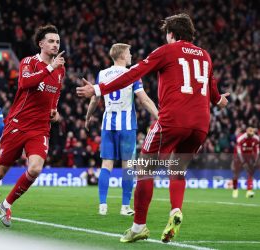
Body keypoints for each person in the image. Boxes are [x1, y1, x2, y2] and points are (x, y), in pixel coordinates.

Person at [77, 13, 229, 243]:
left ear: (170, 34)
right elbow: (214, 91)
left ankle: (138, 227)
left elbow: (133, 73)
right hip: (200, 124)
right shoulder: (205, 56)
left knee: (143, 169)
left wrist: (98, 90)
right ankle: (175, 210)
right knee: (177, 170)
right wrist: (219, 101)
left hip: (172, 120)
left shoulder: (166, 51)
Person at [0, 24, 65, 228]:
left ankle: (7, 204)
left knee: (35, 168)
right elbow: (25, 83)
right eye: (51, 41)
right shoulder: (29, 62)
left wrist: (55, 111)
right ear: (41, 44)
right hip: (17, 124)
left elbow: (55, 94)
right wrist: (50, 67)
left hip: (40, 128)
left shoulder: (60, 70)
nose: (55, 44)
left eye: (57, 41)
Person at [85, 43, 158, 216]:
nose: (131, 55)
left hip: (108, 125)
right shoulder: (132, 74)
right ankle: (125, 207)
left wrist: (88, 116)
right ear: (123, 55)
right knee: (127, 167)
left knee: (106, 165)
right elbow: (144, 100)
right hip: (127, 126)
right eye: (130, 53)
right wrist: (159, 116)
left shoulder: (102, 74)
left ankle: (103, 205)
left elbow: (95, 100)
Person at [231, 127, 259, 198]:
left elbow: (257, 150)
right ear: (246, 133)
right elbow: (239, 151)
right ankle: (235, 189)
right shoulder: (240, 138)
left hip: (249, 157)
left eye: (252, 135)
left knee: (250, 173)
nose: (251, 137)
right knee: (236, 174)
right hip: (238, 157)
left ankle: (249, 191)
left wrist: (255, 160)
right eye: (249, 135)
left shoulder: (256, 139)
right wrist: (243, 162)